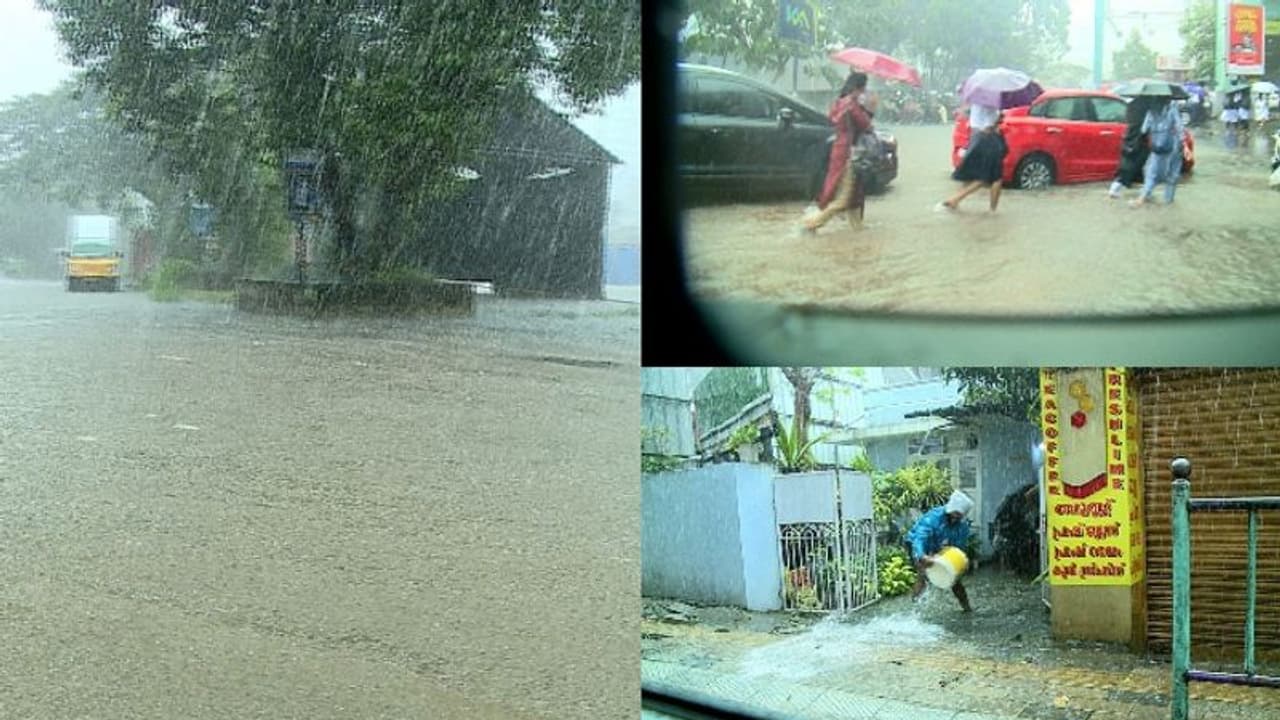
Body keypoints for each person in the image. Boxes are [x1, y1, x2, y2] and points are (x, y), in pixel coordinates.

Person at [803, 72, 875, 233]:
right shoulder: (852, 105)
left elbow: (833, 120)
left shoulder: (839, 103)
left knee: (854, 193)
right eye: (864, 88)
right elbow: (867, 126)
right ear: (858, 88)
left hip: (839, 149)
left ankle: (858, 228)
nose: (865, 92)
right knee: (843, 199)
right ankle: (811, 224)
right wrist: (870, 109)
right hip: (849, 155)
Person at [904, 490, 974, 612]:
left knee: (956, 580)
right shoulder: (933, 517)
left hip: (939, 545)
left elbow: (958, 548)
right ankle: (914, 611)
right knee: (923, 573)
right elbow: (920, 538)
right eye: (953, 515)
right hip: (917, 543)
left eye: (958, 516)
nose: (955, 518)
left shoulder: (962, 526)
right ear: (949, 510)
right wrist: (922, 556)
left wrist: (961, 562)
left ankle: (967, 608)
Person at [937, 103, 1007, 212]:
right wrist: (998, 120)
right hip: (989, 140)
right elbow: (988, 127)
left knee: (979, 174)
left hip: (976, 138)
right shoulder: (990, 106)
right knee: (994, 177)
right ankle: (991, 210)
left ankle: (956, 200)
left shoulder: (976, 104)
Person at [1131, 96, 1185, 207]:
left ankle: (1143, 198)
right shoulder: (1172, 109)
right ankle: (1168, 202)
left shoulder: (1151, 112)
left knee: (1151, 173)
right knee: (1172, 176)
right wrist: (1183, 143)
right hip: (1172, 147)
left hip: (1157, 148)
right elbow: (1180, 128)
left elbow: (1144, 130)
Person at [1108, 97, 1151, 199]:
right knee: (1136, 166)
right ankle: (1116, 188)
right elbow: (1145, 128)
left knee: (1130, 167)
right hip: (1138, 142)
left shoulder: (1131, 106)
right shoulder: (1144, 109)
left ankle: (1144, 191)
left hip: (1130, 139)